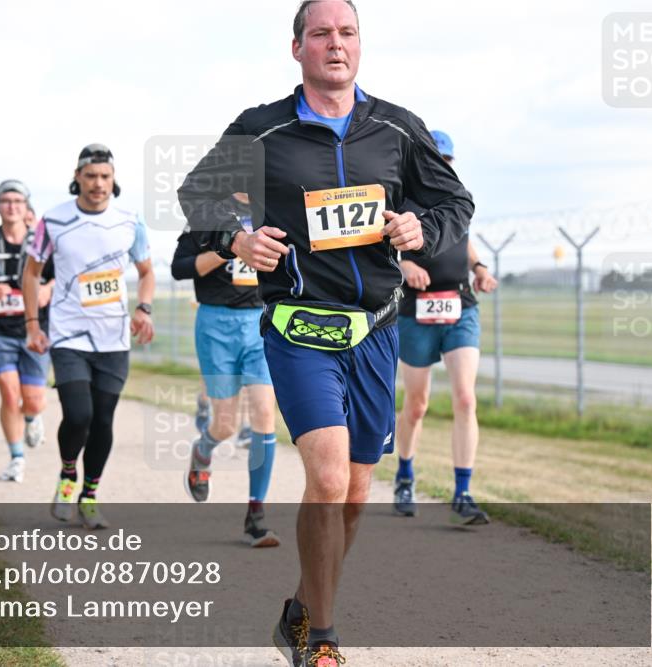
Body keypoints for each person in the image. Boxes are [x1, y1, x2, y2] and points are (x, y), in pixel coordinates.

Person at [176, 2, 474, 663]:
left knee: (356, 493)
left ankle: (299, 612)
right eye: (321, 34)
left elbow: (456, 201)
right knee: (331, 477)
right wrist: (236, 238)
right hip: (298, 328)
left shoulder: (397, 127)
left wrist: (423, 227)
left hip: (374, 330)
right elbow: (198, 194)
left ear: (359, 45)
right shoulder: (261, 128)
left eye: (347, 33)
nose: (335, 44)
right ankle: (324, 640)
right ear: (297, 48)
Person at [24, 143, 155, 530]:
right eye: (91, 176)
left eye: (105, 177)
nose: (98, 183)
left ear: (113, 180)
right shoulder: (53, 220)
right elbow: (31, 273)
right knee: (79, 414)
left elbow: (146, 272)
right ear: (77, 178)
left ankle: (90, 495)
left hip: (113, 338)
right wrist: (32, 324)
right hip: (68, 335)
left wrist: (144, 309)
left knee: (103, 420)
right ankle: (68, 475)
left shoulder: (130, 221)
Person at [393, 130, 498, 525]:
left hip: (460, 307)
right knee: (416, 405)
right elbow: (383, 249)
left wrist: (479, 268)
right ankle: (405, 476)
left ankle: (463, 493)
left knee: (466, 399)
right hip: (415, 311)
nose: (442, 167)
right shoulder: (402, 201)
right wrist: (404, 264)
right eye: (436, 160)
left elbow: (463, 239)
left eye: (447, 161)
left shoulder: (456, 198)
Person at [172, 192, 280, 548]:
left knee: (264, 413)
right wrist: (229, 247)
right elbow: (180, 268)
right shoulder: (208, 213)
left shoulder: (273, 209)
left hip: (261, 321)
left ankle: (256, 513)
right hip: (215, 324)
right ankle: (203, 451)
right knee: (225, 425)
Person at [0, 180, 55, 484]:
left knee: (33, 400)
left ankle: (32, 416)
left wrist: (46, 290)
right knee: (9, 393)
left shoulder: (42, 243)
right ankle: (16, 458)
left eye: (18, 201)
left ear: (26, 206)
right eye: (6, 201)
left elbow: (60, 276)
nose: (12, 206)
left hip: (35, 330)